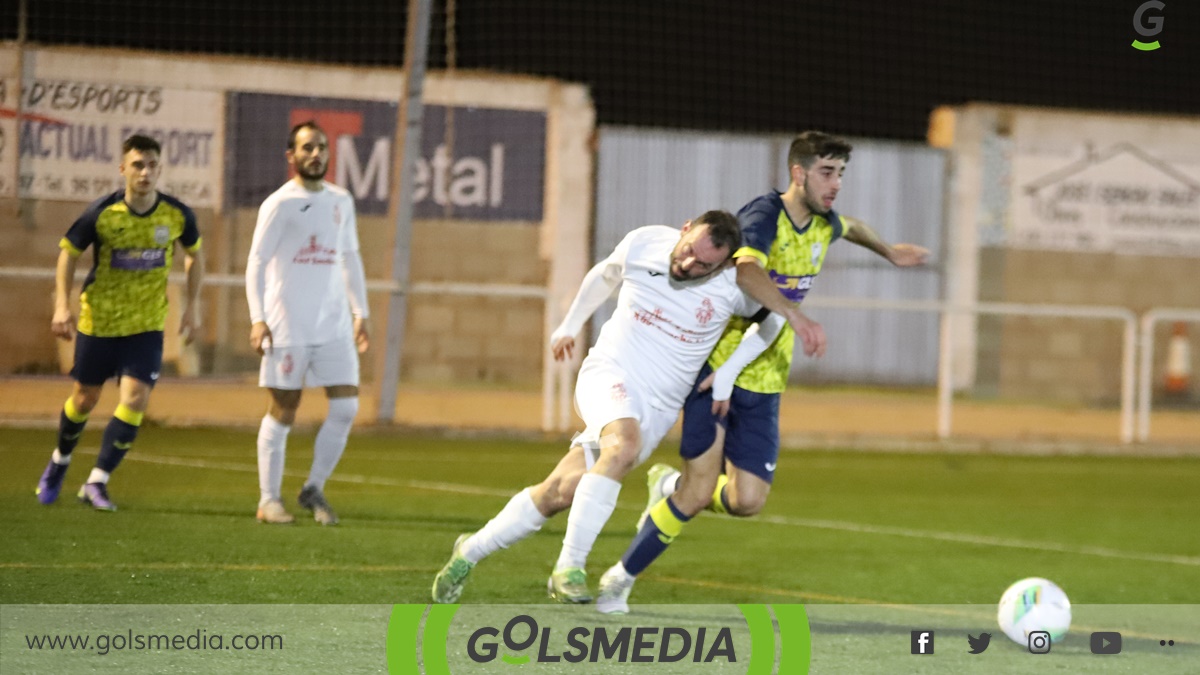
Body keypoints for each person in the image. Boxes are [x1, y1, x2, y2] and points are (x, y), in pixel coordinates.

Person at [594, 130, 931, 614]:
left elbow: (851, 227)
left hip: (766, 381)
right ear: (799, 173)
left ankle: (663, 486)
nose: (836, 184)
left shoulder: (822, 222)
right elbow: (747, 271)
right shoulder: (763, 216)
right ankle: (617, 582)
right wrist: (795, 314)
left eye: (841, 174)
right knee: (696, 494)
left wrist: (890, 251)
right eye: (827, 173)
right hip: (716, 375)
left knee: (748, 500)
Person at [431, 210, 784, 604]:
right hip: (610, 374)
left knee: (559, 491)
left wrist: (729, 372)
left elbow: (774, 321)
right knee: (623, 446)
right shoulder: (646, 241)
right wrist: (569, 325)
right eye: (688, 251)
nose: (688, 264)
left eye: (704, 264)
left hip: (659, 407)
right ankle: (569, 568)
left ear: (723, 265)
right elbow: (605, 274)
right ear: (684, 229)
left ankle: (470, 551)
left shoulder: (731, 287)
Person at [35, 134, 204, 511]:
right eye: (138, 165)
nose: (145, 173)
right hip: (100, 323)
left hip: (146, 326)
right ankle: (59, 462)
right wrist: (62, 306)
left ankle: (96, 482)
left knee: (135, 398)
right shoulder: (104, 213)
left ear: (160, 169)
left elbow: (194, 255)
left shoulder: (176, 215)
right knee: (84, 399)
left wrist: (192, 306)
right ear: (123, 169)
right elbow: (68, 253)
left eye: (152, 166)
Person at [245, 121, 370, 526]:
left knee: (347, 406)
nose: (315, 154)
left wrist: (360, 312)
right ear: (291, 156)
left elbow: (350, 257)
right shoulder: (279, 204)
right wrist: (258, 318)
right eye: (306, 148)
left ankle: (314, 486)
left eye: (321, 147)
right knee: (284, 408)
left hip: (333, 325)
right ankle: (268, 500)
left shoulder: (341, 200)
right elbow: (257, 262)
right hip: (289, 327)